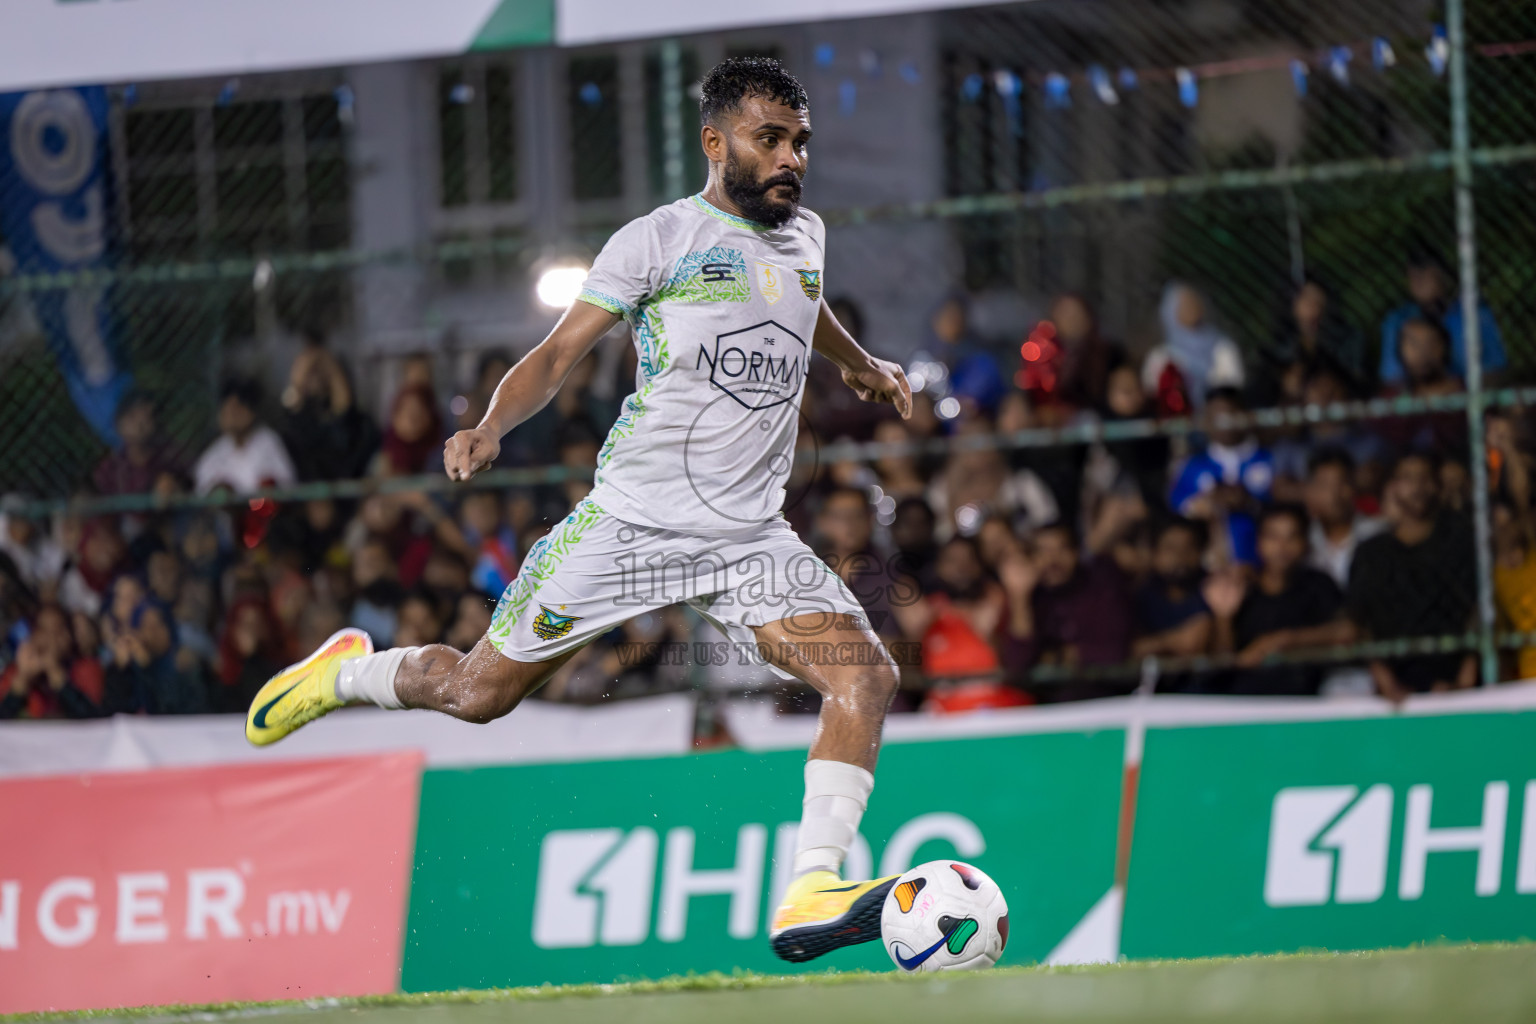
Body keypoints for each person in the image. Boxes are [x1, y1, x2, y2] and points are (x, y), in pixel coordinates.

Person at [243, 57, 911, 965]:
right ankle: (348, 672)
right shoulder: (659, 240)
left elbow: (805, 301)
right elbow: (556, 356)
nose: (791, 157)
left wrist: (857, 363)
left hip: (750, 537)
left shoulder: (807, 235)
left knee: (863, 676)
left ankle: (811, 889)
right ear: (716, 144)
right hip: (629, 527)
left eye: (799, 141)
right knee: (477, 695)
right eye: (770, 139)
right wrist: (487, 425)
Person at [1348, 452, 1478, 696]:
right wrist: (1385, 680)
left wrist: (1466, 676)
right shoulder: (1371, 553)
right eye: (1407, 478)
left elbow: (1479, 608)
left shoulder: (1463, 540)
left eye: (1425, 478)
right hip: (1395, 689)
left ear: (1437, 485)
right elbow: (1359, 623)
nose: (1417, 487)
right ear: (1392, 486)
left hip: (1460, 683)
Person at [1202, 505, 1354, 696]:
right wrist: (1223, 619)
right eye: (1273, 537)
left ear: (1305, 542)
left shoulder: (1318, 585)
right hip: (1245, 703)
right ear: (1258, 542)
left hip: (1306, 700)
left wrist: (1285, 640)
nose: (1282, 547)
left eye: (1292, 537)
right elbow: (1223, 663)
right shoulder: (1242, 587)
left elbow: (1347, 631)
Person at [1000, 520, 1135, 702]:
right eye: (1043, 551)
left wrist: (1060, 656)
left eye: (1061, 549)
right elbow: (1017, 666)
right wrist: (1020, 599)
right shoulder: (1028, 596)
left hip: (1104, 702)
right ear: (1031, 559)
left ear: (1076, 553)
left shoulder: (1101, 589)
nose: (1053, 560)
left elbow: (1115, 652)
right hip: (1046, 709)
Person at [1169, 387, 1274, 566]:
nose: (1224, 423)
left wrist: (1249, 502)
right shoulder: (1192, 466)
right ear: (1206, 420)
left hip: (1264, 564)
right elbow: (1176, 505)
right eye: (1217, 416)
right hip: (1210, 568)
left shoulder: (1269, 459)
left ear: (1245, 415)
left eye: (1230, 415)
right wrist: (1202, 505)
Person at [1378, 248, 1506, 386]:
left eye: (1425, 273)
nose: (1418, 281)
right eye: (1412, 275)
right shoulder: (1397, 320)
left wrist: (1459, 388)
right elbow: (1391, 378)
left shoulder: (1474, 315)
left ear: (1442, 275)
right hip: (1416, 402)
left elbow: (1496, 368)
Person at [1144, 282, 1244, 409]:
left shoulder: (1222, 347)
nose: (1190, 308)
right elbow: (1152, 391)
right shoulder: (1160, 356)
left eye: (1193, 302)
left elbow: (1231, 385)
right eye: (1183, 305)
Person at [1130, 517, 1213, 668]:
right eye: (1171, 548)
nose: (1181, 557)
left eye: (1189, 547)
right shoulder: (1140, 596)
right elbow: (1132, 650)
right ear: (1154, 554)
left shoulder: (1210, 590)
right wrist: (1172, 641)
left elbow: (1196, 645)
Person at [193, 379, 298, 495]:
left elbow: (286, 484)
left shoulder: (267, 440)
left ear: (250, 412)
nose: (231, 416)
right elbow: (202, 491)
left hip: (260, 510)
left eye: (237, 409)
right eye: (227, 410)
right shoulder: (216, 450)